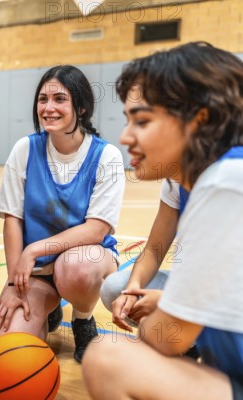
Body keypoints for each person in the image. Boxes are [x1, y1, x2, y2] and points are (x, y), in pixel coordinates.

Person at [83, 42, 243, 400]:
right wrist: (164, 304)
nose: (125, 136)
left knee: (107, 358)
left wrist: (167, 318)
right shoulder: (215, 175)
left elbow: (167, 339)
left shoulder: (227, 182)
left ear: (199, 119)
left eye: (141, 121)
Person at [0, 65, 125, 363]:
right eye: (43, 99)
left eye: (59, 99)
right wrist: (14, 285)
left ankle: (82, 319)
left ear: (81, 107)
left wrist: (35, 248)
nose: (48, 107)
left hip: (83, 261)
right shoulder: (25, 149)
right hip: (36, 270)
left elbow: (96, 230)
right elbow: (13, 219)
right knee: (11, 352)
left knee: (76, 267)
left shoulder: (107, 156)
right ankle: (47, 308)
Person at [100, 179, 188, 330]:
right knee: (115, 288)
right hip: (193, 284)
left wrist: (169, 302)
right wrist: (132, 290)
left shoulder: (230, 180)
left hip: (227, 296)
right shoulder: (175, 182)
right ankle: (189, 343)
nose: (133, 154)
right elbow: (154, 249)